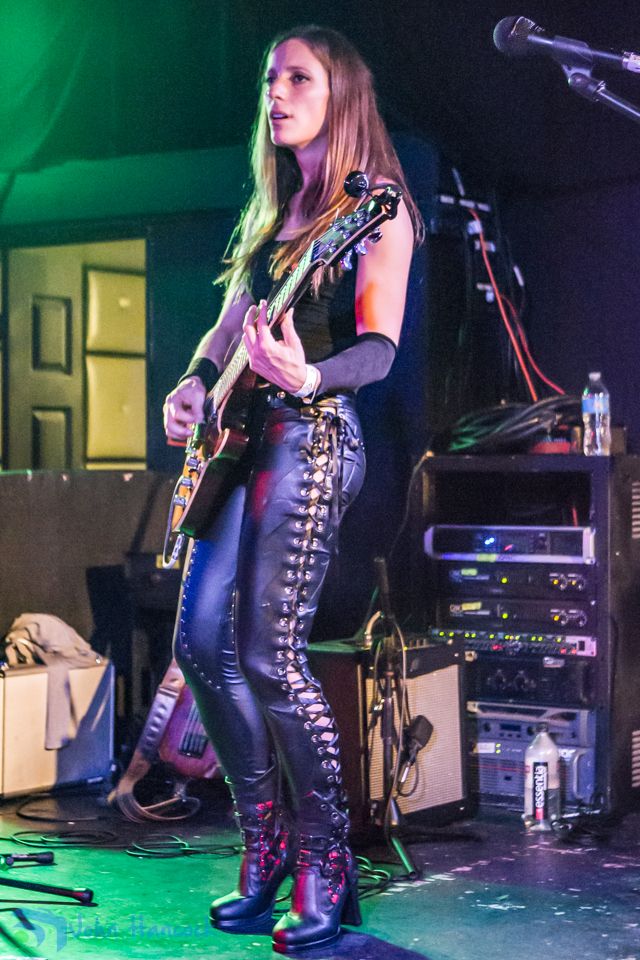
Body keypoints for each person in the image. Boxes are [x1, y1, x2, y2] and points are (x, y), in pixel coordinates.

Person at [163, 24, 422, 955]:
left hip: (314, 435)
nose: (275, 92)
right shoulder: (276, 212)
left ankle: (326, 860)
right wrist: (195, 381)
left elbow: (379, 348)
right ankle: (265, 839)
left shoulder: (376, 208)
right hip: (241, 442)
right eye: (270, 78)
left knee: (270, 656)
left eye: (298, 78)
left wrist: (307, 374)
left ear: (340, 93)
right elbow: (230, 325)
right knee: (200, 642)